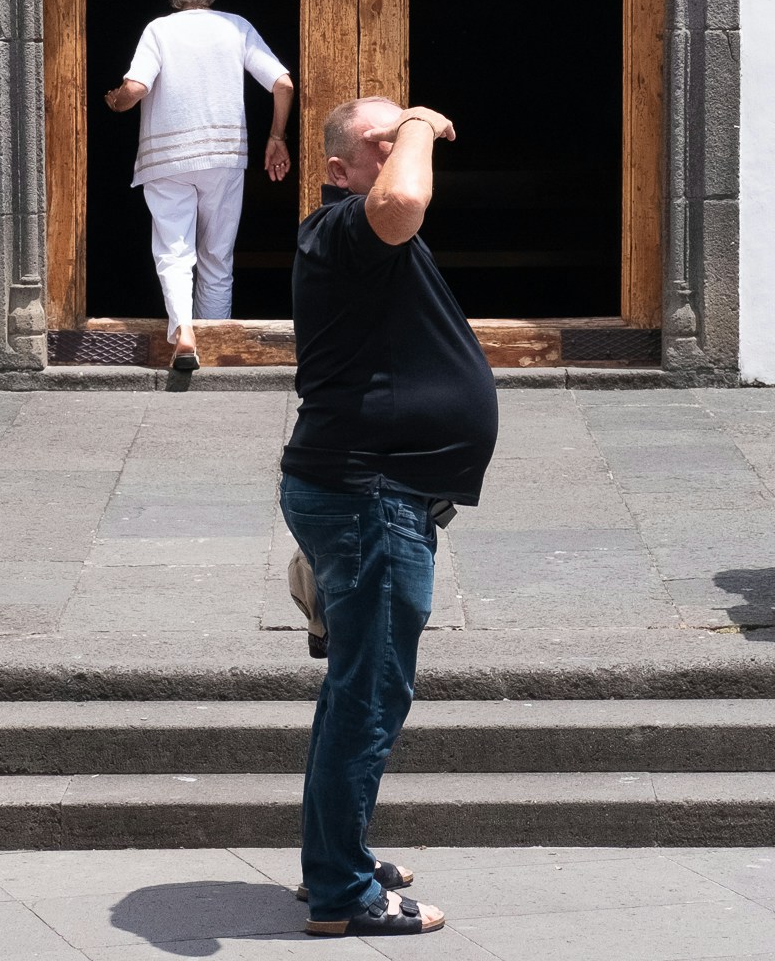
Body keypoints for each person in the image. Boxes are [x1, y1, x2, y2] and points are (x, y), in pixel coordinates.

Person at [279, 95, 499, 939]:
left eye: (404, 138)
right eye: (383, 142)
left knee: (356, 694)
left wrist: (403, 132)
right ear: (340, 171)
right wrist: (420, 119)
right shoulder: (341, 226)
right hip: (369, 498)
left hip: (372, 495)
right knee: (368, 697)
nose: (409, 151)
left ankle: (337, 858)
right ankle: (342, 893)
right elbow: (403, 202)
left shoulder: (359, 241)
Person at [104, 0, 294, 371]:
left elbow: (135, 89)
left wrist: (114, 101)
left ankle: (185, 332)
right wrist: (276, 137)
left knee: (174, 250)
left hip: (167, 160)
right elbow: (282, 83)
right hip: (225, 157)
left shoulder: (158, 30)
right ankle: (216, 339)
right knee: (217, 256)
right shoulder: (236, 27)